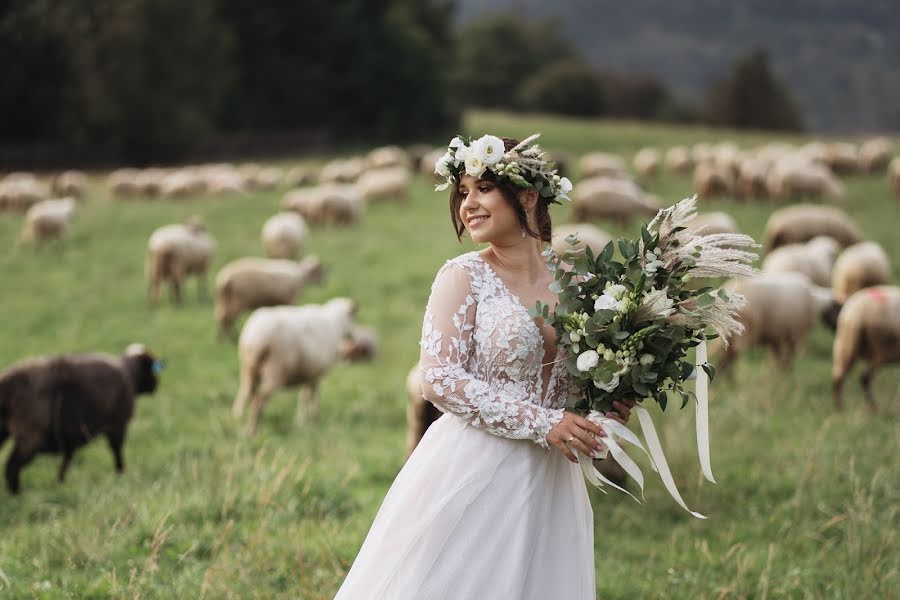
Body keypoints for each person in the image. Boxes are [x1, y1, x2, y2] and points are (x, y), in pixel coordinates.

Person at [334, 135, 636, 600]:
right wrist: (543, 422)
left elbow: (577, 385)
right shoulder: (463, 277)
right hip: (471, 468)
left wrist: (604, 409)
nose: (467, 204)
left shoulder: (581, 282)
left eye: (483, 190)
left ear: (528, 197)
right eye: (463, 193)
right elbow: (439, 380)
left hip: (551, 482)